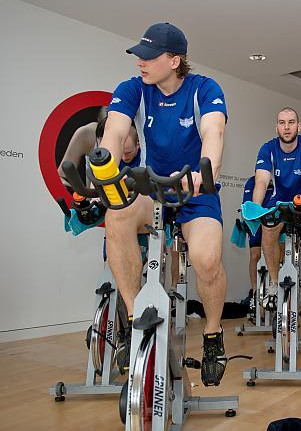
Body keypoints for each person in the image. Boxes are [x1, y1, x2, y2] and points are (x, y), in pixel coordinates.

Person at [100, 22, 230, 387]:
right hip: (153, 187)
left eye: (149, 57)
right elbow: (114, 131)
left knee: (206, 261)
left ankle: (213, 335)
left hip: (194, 189)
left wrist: (204, 174)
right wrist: (106, 167)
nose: (140, 63)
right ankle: (131, 320)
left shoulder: (203, 89)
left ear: (174, 60)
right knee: (117, 216)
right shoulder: (134, 90)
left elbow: (213, 134)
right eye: (139, 56)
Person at [253, 107, 301, 328]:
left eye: (291, 122)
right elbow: (261, 182)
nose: (287, 127)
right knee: (268, 228)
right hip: (279, 206)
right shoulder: (268, 149)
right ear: (276, 127)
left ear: (299, 126)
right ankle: (274, 285)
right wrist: (256, 208)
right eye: (282, 122)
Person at [57, 107, 141, 190]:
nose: (112, 144)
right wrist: (82, 195)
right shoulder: (86, 135)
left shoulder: (141, 137)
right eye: (105, 138)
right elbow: (60, 177)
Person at [241, 175, 274, 309]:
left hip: (273, 221)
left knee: (275, 255)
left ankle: (274, 288)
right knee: (255, 255)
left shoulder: (280, 179)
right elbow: (247, 204)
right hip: (255, 221)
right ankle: (255, 292)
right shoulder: (251, 181)